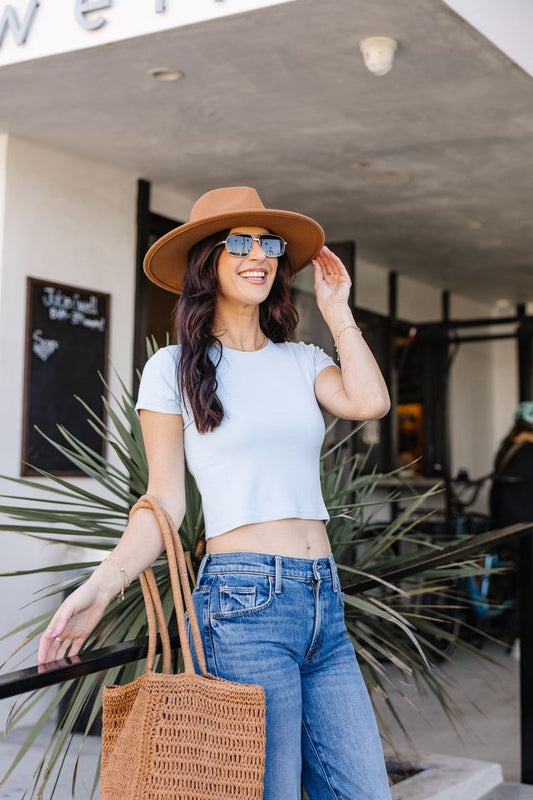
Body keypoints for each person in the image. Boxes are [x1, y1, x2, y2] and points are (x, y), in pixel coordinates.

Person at [38, 186, 392, 799]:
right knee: (269, 792)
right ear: (208, 259)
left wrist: (337, 312)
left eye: (269, 244)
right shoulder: (173, 368)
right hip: (243, 603)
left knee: (364, 789)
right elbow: (165, 501)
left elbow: (370, 402)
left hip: (322, 601)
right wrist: (100, 585)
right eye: (241, 243)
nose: (260, 256)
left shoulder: (303, 361)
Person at [489, 401, 533, 662]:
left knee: (520, 580)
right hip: (528, 528)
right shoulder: (528, 453)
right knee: (527, 584)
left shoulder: (507, 449)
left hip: (508, 528)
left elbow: (496, 496)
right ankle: (521, 638)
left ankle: (515, 635)